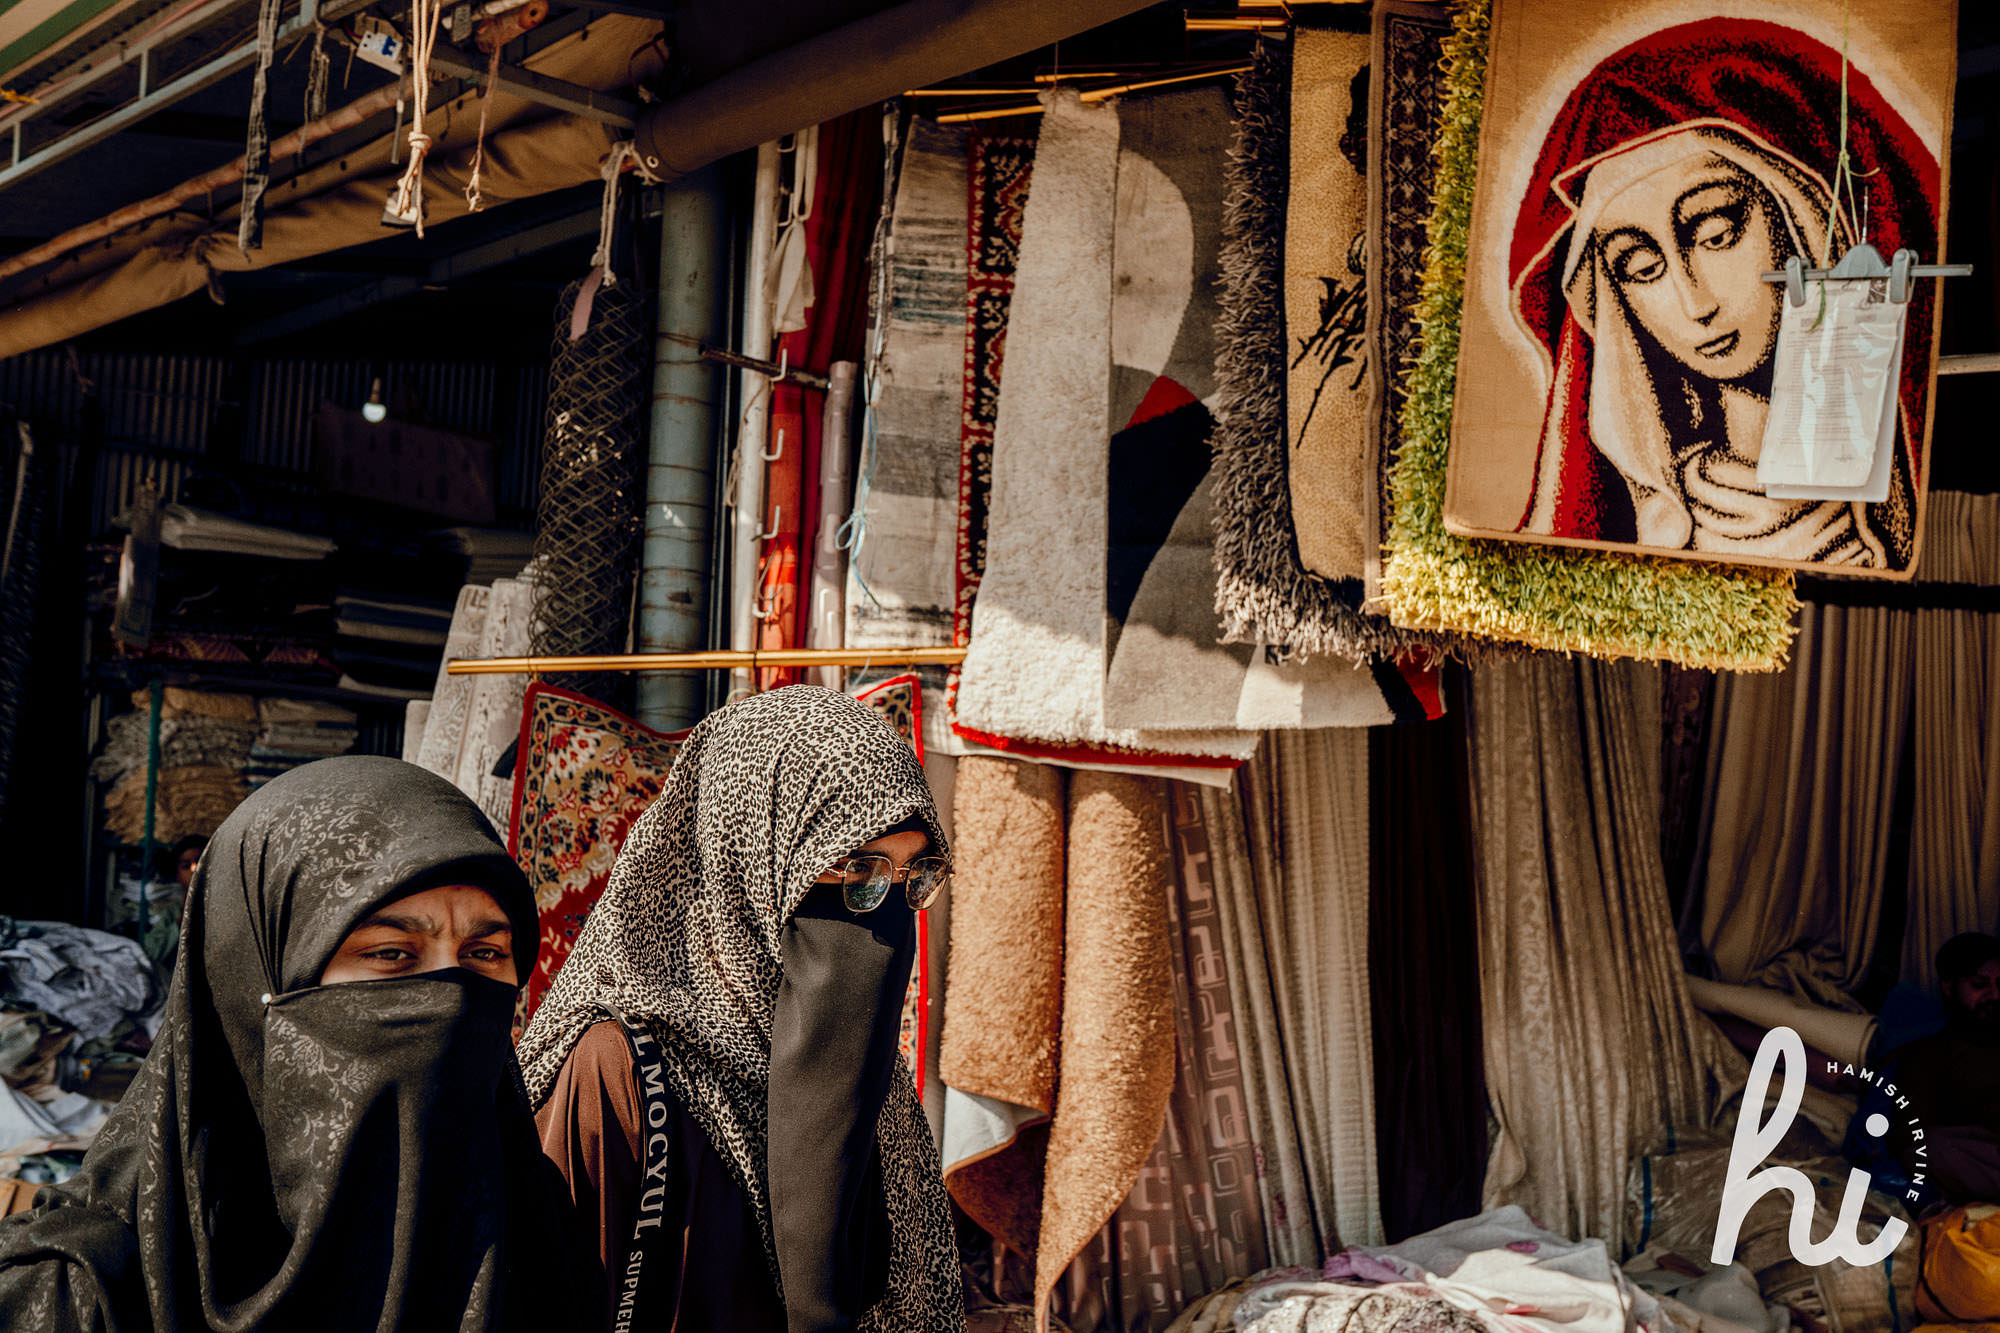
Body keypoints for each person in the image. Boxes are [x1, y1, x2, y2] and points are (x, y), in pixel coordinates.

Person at [0, 755, 588, 1331]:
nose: (452, 999)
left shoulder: (539, 1236)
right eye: (390, 955)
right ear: (253, 984)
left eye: (485, 954)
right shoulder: (73, 1295)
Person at [518, 685, 964, 1333]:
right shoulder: (615, 1075)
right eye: (854, 867)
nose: (884, 919)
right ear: (745, 864)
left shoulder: (871, 1085)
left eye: (910, 874)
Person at [1505, 20, 1938, 569]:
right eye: (1640, 267)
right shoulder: (1661, 523)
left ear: (1799, 217)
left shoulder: (1903, 497)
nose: (1695, 303)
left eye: (1716, 234)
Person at [1891, 932, 2000, 1205]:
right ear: (1949, 988)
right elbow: (1912, 1138)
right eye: (1980, 984)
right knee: (1928, 1147)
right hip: (1981, 1155)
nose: (1995, 995)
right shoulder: (1929, 1053)